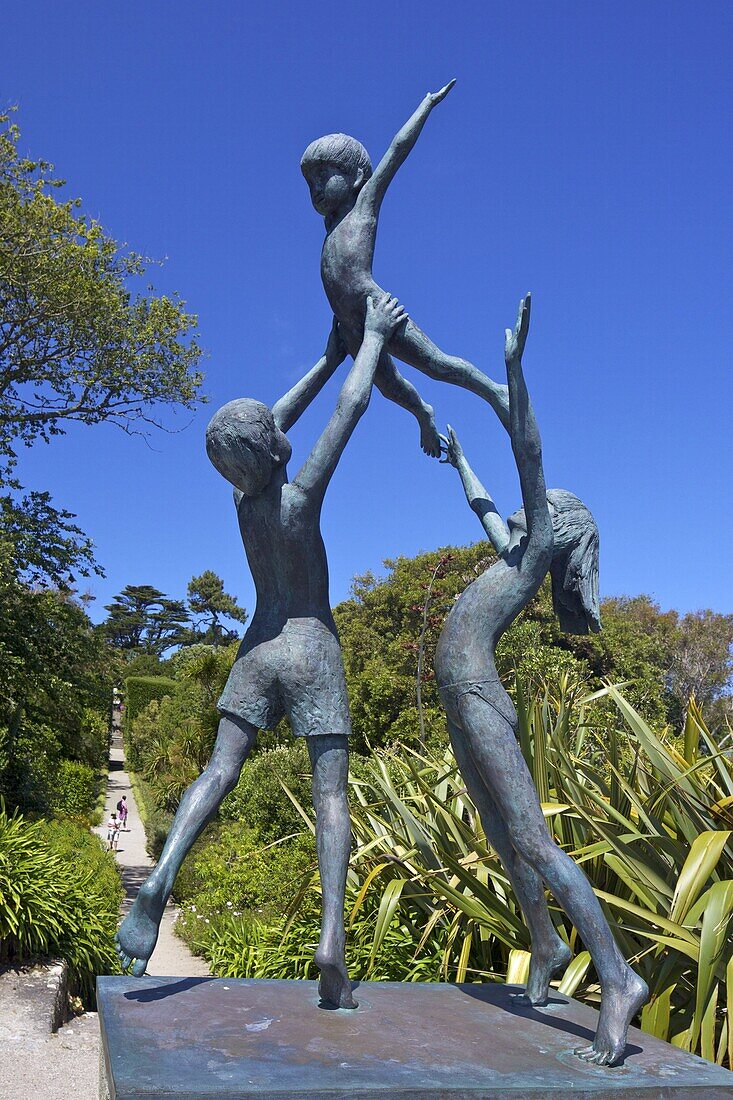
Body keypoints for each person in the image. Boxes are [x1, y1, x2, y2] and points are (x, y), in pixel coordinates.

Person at [115, 293, 407, 1008]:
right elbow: (350, 409)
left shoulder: (242, 502)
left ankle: (161, 876)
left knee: (219, 771)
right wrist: (367, 341)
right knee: (330, 794)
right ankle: (332, 936)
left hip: (257, 645)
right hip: (310, 644)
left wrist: (323, 354)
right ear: (272, 451)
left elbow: (265, 426)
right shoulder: (297, 496)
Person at [436, 294, 648, 1067]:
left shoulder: (530, 558)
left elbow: (526, 452)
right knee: (500, 835)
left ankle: (619, 979)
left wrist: (513, 372)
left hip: (477, 691)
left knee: (531, 838)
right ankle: (546, 943)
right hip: (456, 694)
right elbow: (486, 502)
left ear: (552, 527)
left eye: (539, 508)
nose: (527, 511)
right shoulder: (508, 550)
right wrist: (457, 457)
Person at [301, 80, 512, 458]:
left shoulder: (363, 208)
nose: (315, 188)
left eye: (324, 175)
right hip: (348, 324)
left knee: (436, 364)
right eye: (310, 182)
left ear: (356, 178)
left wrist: (426, 106)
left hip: (375, 310)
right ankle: (423, 414)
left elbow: (397, 151)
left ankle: (494, 391)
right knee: (390, 387)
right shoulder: (329, 228)